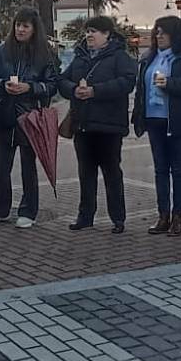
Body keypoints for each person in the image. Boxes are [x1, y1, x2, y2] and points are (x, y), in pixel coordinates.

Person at [0, 7, 60, 228]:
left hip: (30, 117)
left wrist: (30, 87)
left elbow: (53, 86)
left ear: (34, 29)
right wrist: (2, 85)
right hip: (5, 115)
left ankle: (28, 211)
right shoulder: (1, 52)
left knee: (28, 167)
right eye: (18, 25)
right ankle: (0, 209)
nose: (20, 29)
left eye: (25, 26)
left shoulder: (45, 54)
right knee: (2, 167)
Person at [59, 16, 137, 233]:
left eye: (94, 31)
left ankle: (118, 218)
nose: (89, 35)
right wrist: (73, 89)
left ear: (107, 34)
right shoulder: (80, 57)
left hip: (109, 126)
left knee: (112, 173)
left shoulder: (119, 57)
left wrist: (96, 91)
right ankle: (85, 216)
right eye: (87, 31)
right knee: (86, 173)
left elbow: (127, 82)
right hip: (83, 124)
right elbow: (62, 80)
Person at [132, 16, 181, 236]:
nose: (159, 36)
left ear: (176, 34)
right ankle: (163, 215)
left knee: (178, 169)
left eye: (164, 32)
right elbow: (141, 88)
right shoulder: (149, 57)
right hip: (153, 120)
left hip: (177, 120)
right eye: (157, 32)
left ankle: (177, 216)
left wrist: (170, 83)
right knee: (160, 170)